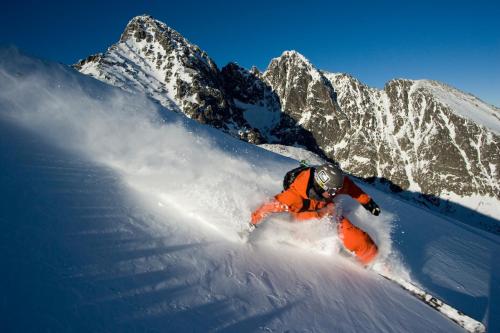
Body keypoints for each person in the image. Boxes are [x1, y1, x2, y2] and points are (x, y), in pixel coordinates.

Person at [250, 163, 381, 265]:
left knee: (357, 237)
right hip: (303, 220)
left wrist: (368, 202)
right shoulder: (294, 198)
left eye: (336, 190)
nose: (336, 193)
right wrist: (252, 226)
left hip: (327, 213)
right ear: (320, 186)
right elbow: (267, 208)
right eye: (333, 191)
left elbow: (352, 189)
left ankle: (371, 258)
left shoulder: (333, 185)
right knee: (310, 233)